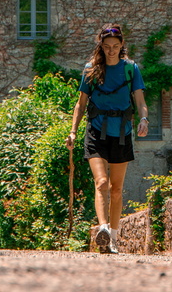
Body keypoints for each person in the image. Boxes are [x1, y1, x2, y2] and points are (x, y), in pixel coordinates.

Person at [66, 23, 149, 254]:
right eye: (106, 46)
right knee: (101, 182)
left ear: (121, 45)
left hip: (121, 132)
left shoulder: (130, 69)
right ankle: (102, 229)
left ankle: (112, 238)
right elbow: (80, 104)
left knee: (116, 189)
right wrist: (73, 131)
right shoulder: (91, 69)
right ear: (100, 46)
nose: (111, 50)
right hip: (95, 130)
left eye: (115, 46)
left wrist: (144, 120)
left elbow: (140, 102)